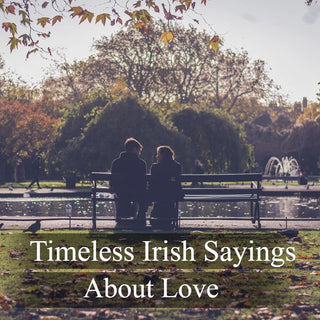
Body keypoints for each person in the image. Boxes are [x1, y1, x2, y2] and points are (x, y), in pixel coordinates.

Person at [110, 138, 147, 227]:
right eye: (139, 150)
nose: (139, 153)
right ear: (134, 149)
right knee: (145, 194)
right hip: (136, 192)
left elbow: (113, 181)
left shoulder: (116, 162)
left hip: (120, 192)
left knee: (123, 195)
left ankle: (121, 217)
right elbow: (143, 182)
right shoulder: (140, 163)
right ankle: (141, 218)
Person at [149, 146, 183, 229]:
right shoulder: (177, 166)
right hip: (173, 194)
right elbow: (176, 182)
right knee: (168, 196)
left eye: (158, 154)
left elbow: (152, 183)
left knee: (158, 194)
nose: (156, 156)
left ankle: (142, 219)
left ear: (163, 155)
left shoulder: (155, 167)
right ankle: (170, 216)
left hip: (158, 194)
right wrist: (170, 179)